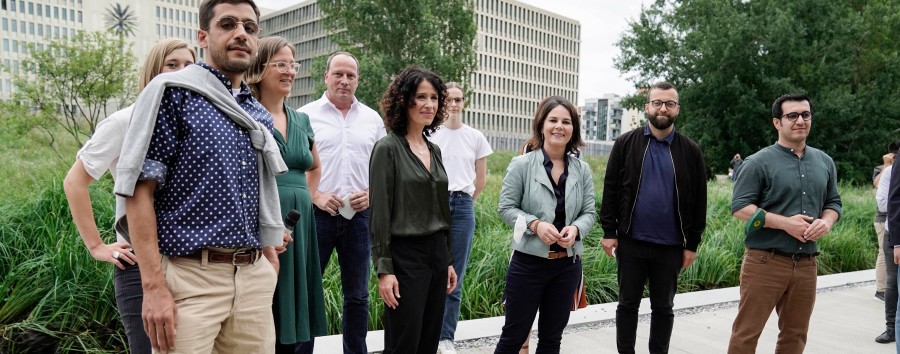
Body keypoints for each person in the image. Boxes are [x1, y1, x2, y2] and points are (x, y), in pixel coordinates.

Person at [114, 0, 287, 352]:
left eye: (250, 28)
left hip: (252, 277)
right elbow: (138, 190)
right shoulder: (172, 93)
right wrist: (153, 288)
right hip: (189, 278)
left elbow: (256, 192)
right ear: (203, 35)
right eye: (228, 24)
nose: (241, 34)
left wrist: (268, 255)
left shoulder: (257, 113)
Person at [62, 38, 195, 354]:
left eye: (189, 67)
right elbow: (74, 182)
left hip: (192, 263)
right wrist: (96, 246)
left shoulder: (195, 125)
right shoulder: (126, 121)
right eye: (172, 65)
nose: (181, 74)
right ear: (153, 72)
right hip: (139, 265)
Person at [728, 93, 842, 354]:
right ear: (777, 123)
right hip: (765, 262)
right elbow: (740, 208)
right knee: (746, 334)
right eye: (792, 115)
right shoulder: (757, 162)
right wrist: (784, 224)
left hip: (807, 264)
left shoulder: (825, 162)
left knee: (795, 336)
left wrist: (827, 221)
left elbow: (834, 203)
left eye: (805, 114)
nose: (800, 120)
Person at [599, 81, 707, 354]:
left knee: (664, 307)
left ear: (677, 109)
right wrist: (609, 231)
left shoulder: (690, 150)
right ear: (647, 107)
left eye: (669, 103)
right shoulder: (625, 143)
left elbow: (699, 201)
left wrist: (692, 244)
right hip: (631, 241)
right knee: (627, 305)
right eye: (657, 102)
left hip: (670, 246)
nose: (663, 108)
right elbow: (611, 188)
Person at [298, 51, 385, 354]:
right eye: (338, 74)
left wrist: (373, 193)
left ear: (357, 80)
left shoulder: (372, 119)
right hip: (317, 215)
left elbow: (385, 169)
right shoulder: (305, 115)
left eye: (350, 75)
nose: (344, 81)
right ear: (326, 77)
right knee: (307, 292)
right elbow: (294, 167)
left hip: (360, 218)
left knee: (358, 295)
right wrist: (316, 195)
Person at [246, 36, 328, 354]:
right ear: (260, 68)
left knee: (297, 310)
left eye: (292, 64)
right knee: (268, 305)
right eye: (280, 64)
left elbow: (315, 167)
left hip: (300, 225)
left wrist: (301, 202)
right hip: (262, 222)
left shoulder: (302, 119)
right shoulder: (245, 115)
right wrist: (268, 221)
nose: (290, 71)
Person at [494, 95, 595, 354]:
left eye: (566, 121)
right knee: (513, 337)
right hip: (528, 264)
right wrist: (535, 225)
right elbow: (505, 209)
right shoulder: (522, 165)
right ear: (542, 125)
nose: (559, 126)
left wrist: (576, 229)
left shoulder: (582, 170)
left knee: (552, 340)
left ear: (573, 129)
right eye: (553, 120)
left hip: (567, 266)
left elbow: (589, 213)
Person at [370, 66, 458, 354]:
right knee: (404, 340)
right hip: (405, 256)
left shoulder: (435, 150)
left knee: (429, 338)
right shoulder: (388, 148)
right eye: (421, 97)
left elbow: (442, 210)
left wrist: (447, 259)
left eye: (434, 98)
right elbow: (380, 213)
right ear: (405, 100)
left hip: (436, 254)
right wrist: (384, 270)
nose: (429, 104)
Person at [427, 82, 493, 354]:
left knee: (457, 275)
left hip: (463, 204)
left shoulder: (475, 136)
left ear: (464, 103)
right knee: (432, 270)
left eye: (458, 99)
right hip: (434, 203)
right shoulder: (431, 135)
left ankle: (445, 337)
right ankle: (427, 334)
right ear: (444, 103)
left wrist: (464, 202)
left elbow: (480, 180)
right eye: (450, 100)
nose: (454, 104)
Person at [875, 145, 898, 344]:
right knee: (892, 282)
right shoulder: (891, 171)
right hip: (895, 232)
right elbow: (882, 204)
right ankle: (891, 328)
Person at [874, 141, 900, 305]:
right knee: (884, 255)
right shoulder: (883, 169)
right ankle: (881, 289)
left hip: (892, 219)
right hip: (884, 218)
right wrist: (886, 164)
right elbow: (876, 183)